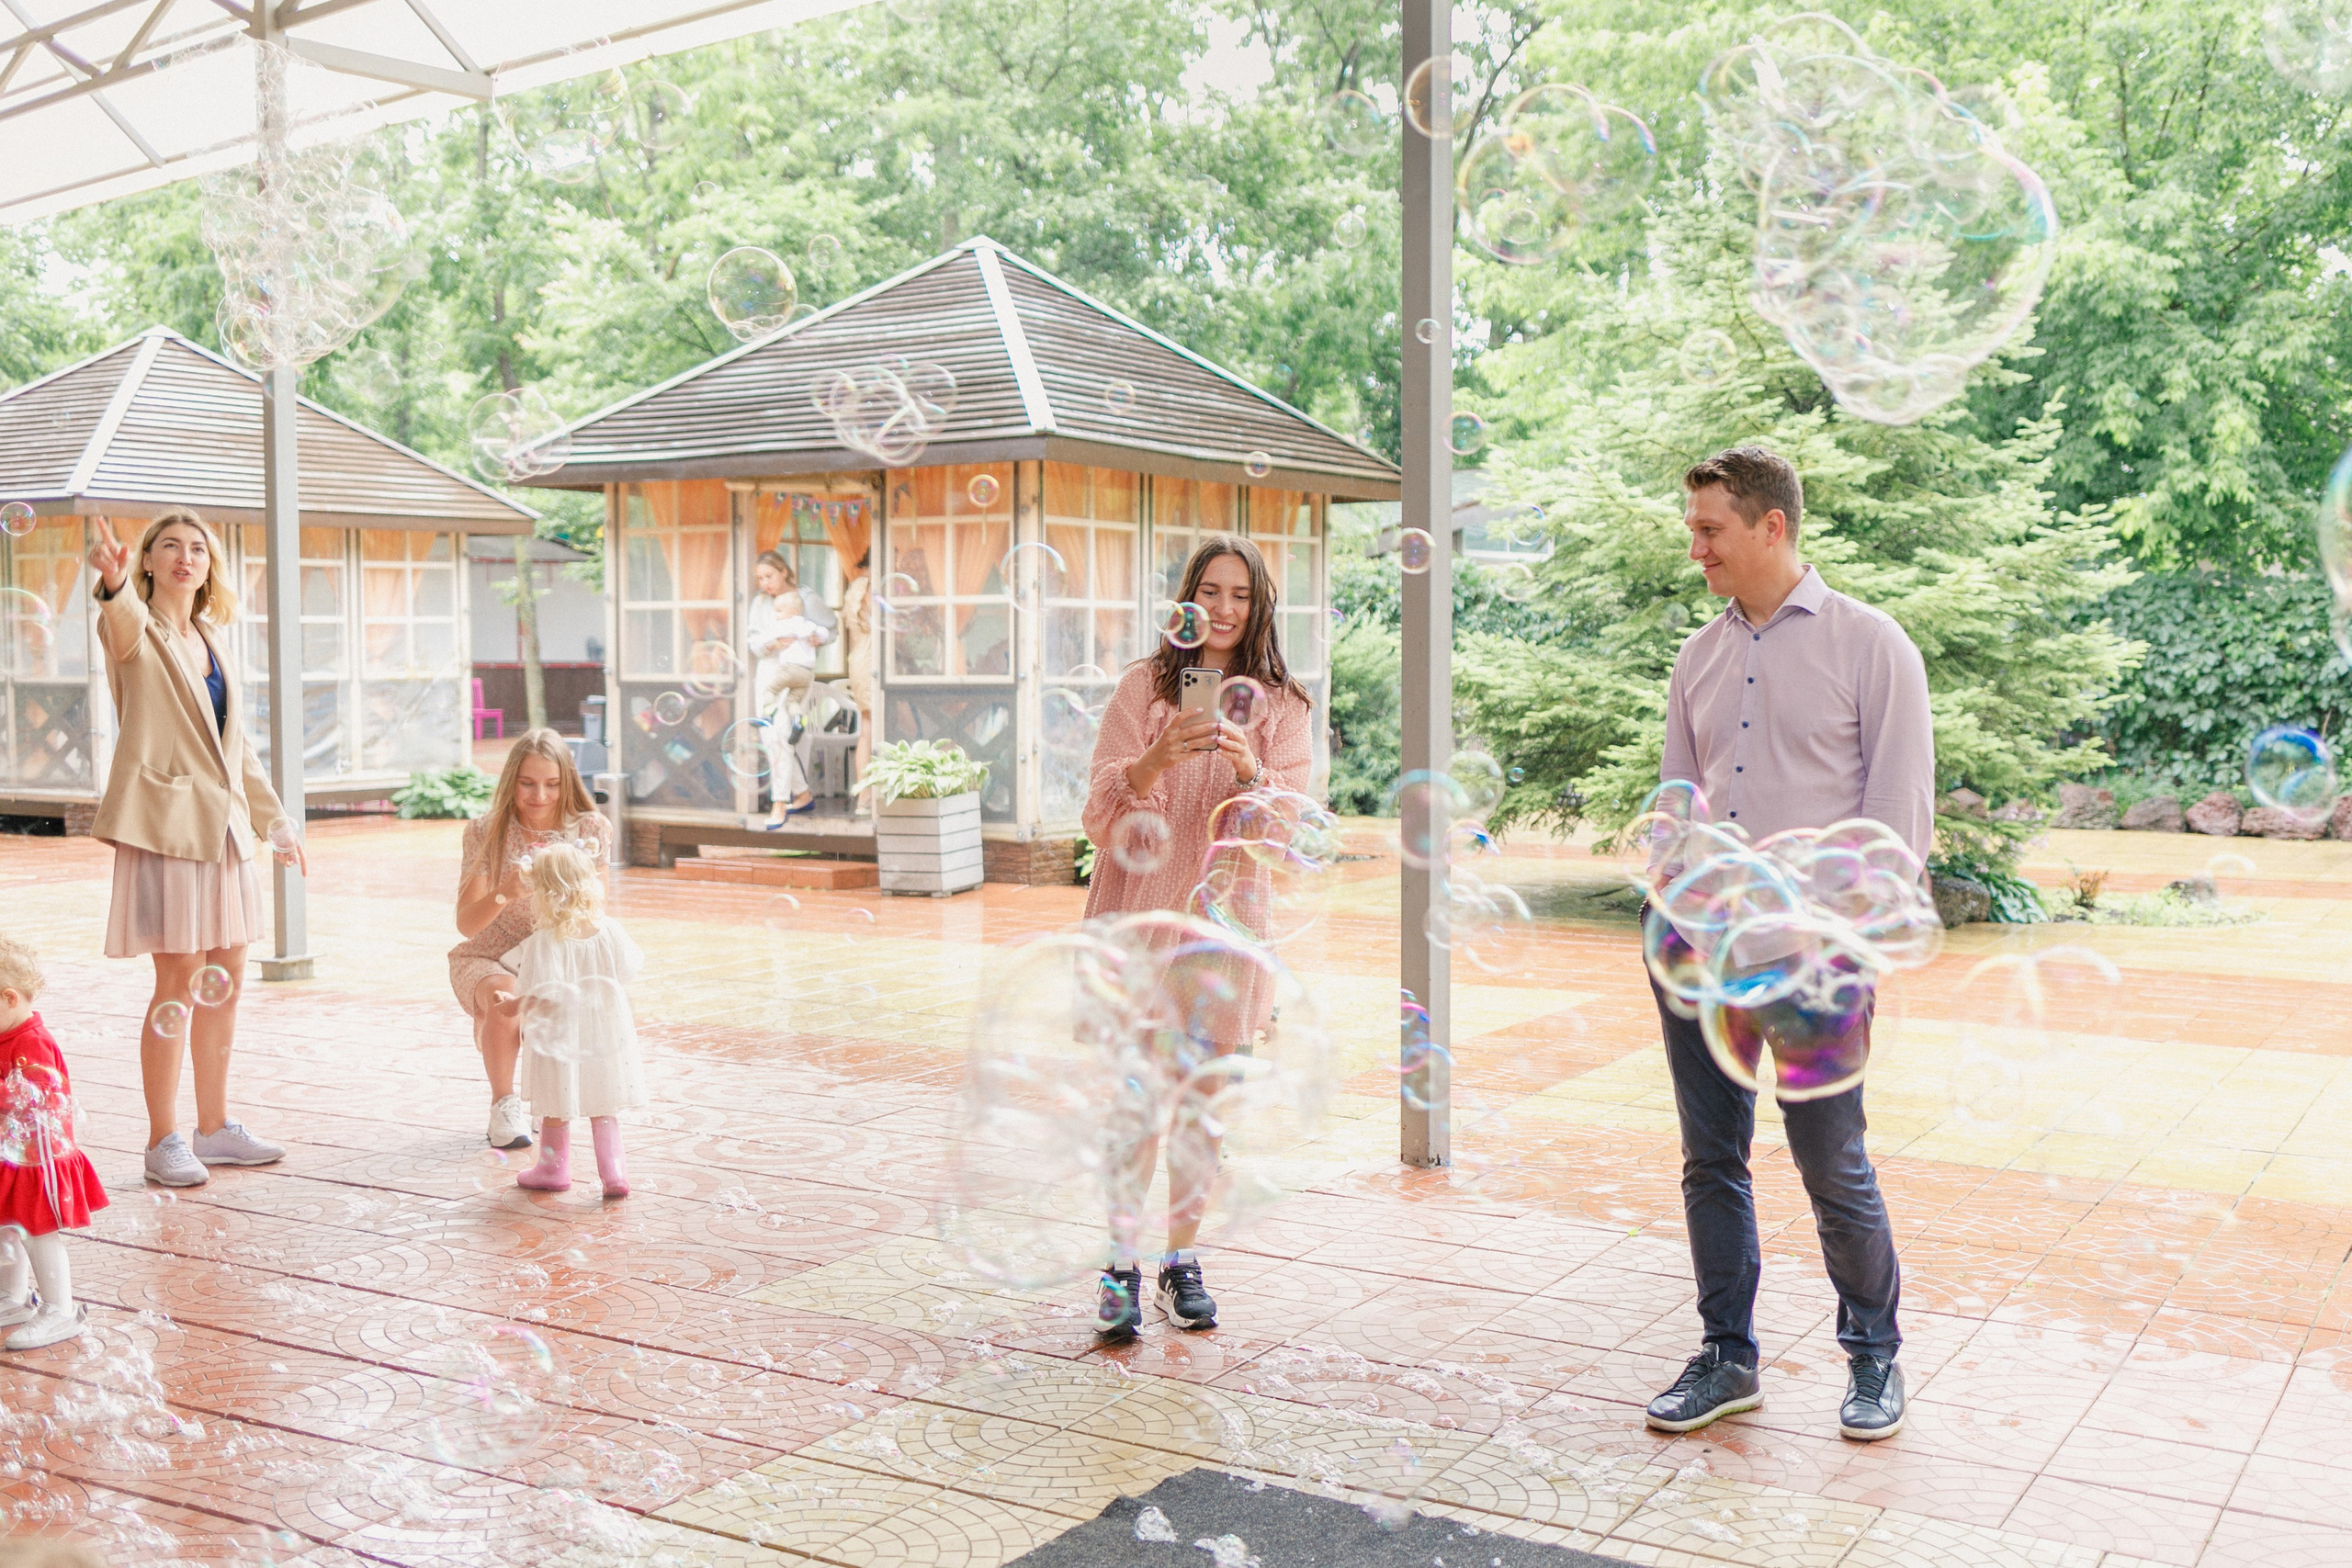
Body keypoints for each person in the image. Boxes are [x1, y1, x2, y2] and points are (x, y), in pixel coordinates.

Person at [1641, 447, 1930, 1443]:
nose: (1695, 547)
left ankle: (1874, 1357)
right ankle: (1726, 1357)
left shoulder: (1872, 644)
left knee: (1829, 1160)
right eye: (1693, 528)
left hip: (1815, 960)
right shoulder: (1696, 658)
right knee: (1708, 1157)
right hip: (1700, 948)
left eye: (1710, 528)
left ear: (1772, 526)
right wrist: (1667, 897)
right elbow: (1677, 811)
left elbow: (1895, 822)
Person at [1080, 535, 1314, 1339]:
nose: (1223, 607)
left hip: (1226, 930)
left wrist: (1252, 769)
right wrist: (1151, 760)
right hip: (1141, 919)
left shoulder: (1284, 705)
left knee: (1201, 1109)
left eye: (1240, 595)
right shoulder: (1142, 689)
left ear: (1259, 606)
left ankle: (1182, 1260)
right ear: (1187, 599)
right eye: (1209, 591)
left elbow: (1288, 834)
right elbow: (1100, 816)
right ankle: (1119, 1263)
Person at [86, 512, 303, 1189]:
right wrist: (116, 584)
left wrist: (276, 823)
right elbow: (118, 624)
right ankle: (163, 1139)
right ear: (147, 560)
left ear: (211, 566)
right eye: (170, 547)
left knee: (227, 980)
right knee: (177, 978)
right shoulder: (135, 630)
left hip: (227, 831)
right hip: (167, 828)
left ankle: (214, 1129)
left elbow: (236, 749)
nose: (186, 557)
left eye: (198, 548)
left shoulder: (213, 639)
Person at [450, 730, 612, 1150]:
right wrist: (505, 891)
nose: (540, 795)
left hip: (556, 955)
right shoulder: (487, 832)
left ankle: (548, 1101)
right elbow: (467, 925)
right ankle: (503, 1106)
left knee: (552, 1004)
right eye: (528, 783)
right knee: (505, 1000)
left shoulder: (591, 828)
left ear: (567, 782)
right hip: (492, 954)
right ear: (511, 781)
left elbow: (596, 912)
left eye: (552, 784)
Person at [506, 841, 645, 1199]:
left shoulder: (543, 941)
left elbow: (543, 994)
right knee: (604, 1104)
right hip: (604, 1031)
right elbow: (629, 969)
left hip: (561, 1034)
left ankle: (553, 1169)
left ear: (542, 893)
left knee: (556, 1103)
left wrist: (510, 1006)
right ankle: (614, 1174)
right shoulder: (610, 929)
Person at [0, 936, 108, 1349]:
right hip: (13, 1156)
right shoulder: (7, 1034)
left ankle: (61, 1309)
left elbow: (35, 1097)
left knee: (36, 1230)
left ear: (9, 998)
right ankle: (12, 1298)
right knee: (7, 1227)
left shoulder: (33, 1043)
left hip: (38, 1160)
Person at [747, 551, 833, 822]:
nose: (765, 583)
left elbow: (831, 627)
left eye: (769, 576)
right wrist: (772, 644)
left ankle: (780, 803)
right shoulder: (760, 603)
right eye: (760, 578)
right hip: (769, 672)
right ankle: (802, 793)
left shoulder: (806, 599)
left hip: (796, 671)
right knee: (770, 737)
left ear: (784, 571)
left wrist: (817, 640)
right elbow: (754, 643)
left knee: (782, 734)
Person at [840, 548, 875, 810]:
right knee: (872, 727)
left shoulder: (855, 587)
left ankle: (866, 796)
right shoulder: (871, 587)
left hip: (860, 658)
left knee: (867, 727)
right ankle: (869, 796)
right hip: (873, 659)